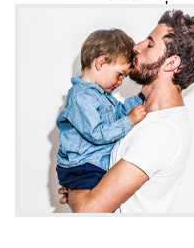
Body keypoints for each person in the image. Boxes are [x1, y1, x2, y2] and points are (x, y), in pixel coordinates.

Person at [60, 10, 194, 214]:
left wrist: (75, 191)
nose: (136, 47)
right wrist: (81, 185)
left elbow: (88, 210)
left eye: (150, 44)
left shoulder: (161, 131)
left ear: (171, 63)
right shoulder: (143, 113)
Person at [55, 29, 147, 193]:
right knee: (113, 194)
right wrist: (129, 121)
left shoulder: (102, 96)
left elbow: (120, 112)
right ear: (101, 62)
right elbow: (98, 133)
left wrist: (143, 96)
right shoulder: (81, 97)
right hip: (83, 167)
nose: (120, 82)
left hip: (93, 164)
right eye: (120, 74)